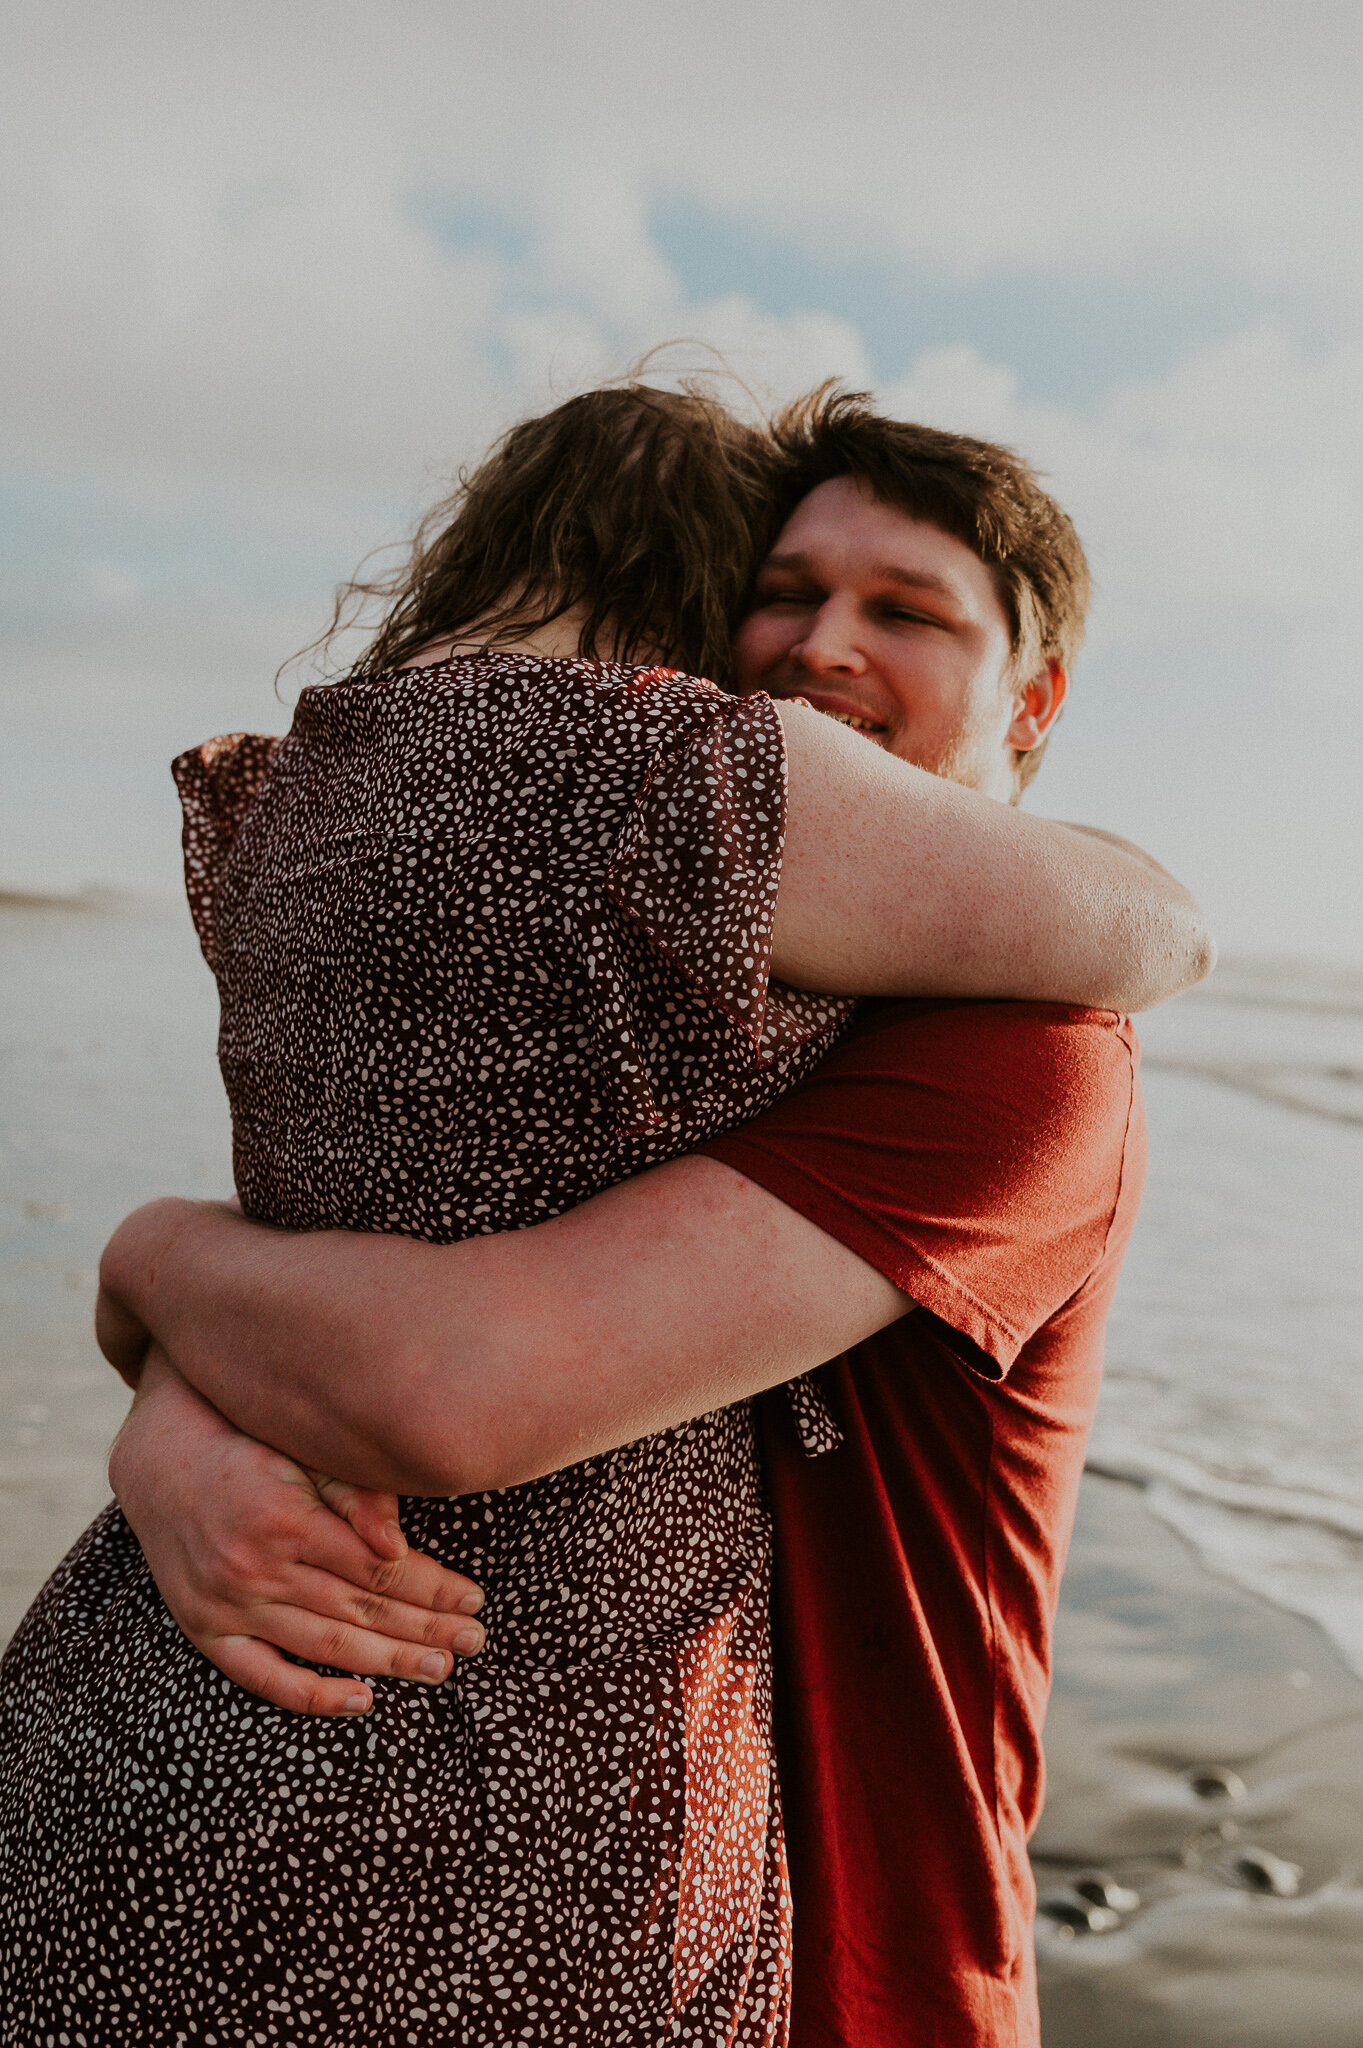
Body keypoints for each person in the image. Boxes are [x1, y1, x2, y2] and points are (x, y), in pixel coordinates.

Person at [3, 384, 1207, 2047]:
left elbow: (442, 1369)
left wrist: (151, 1269)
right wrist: (178, 1423)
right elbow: (386, 1240)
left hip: (857, 1957)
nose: (820, 644)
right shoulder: (682, 999)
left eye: (907, 610)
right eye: (783, 593)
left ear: (1036, 698)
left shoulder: (1027, 1060)